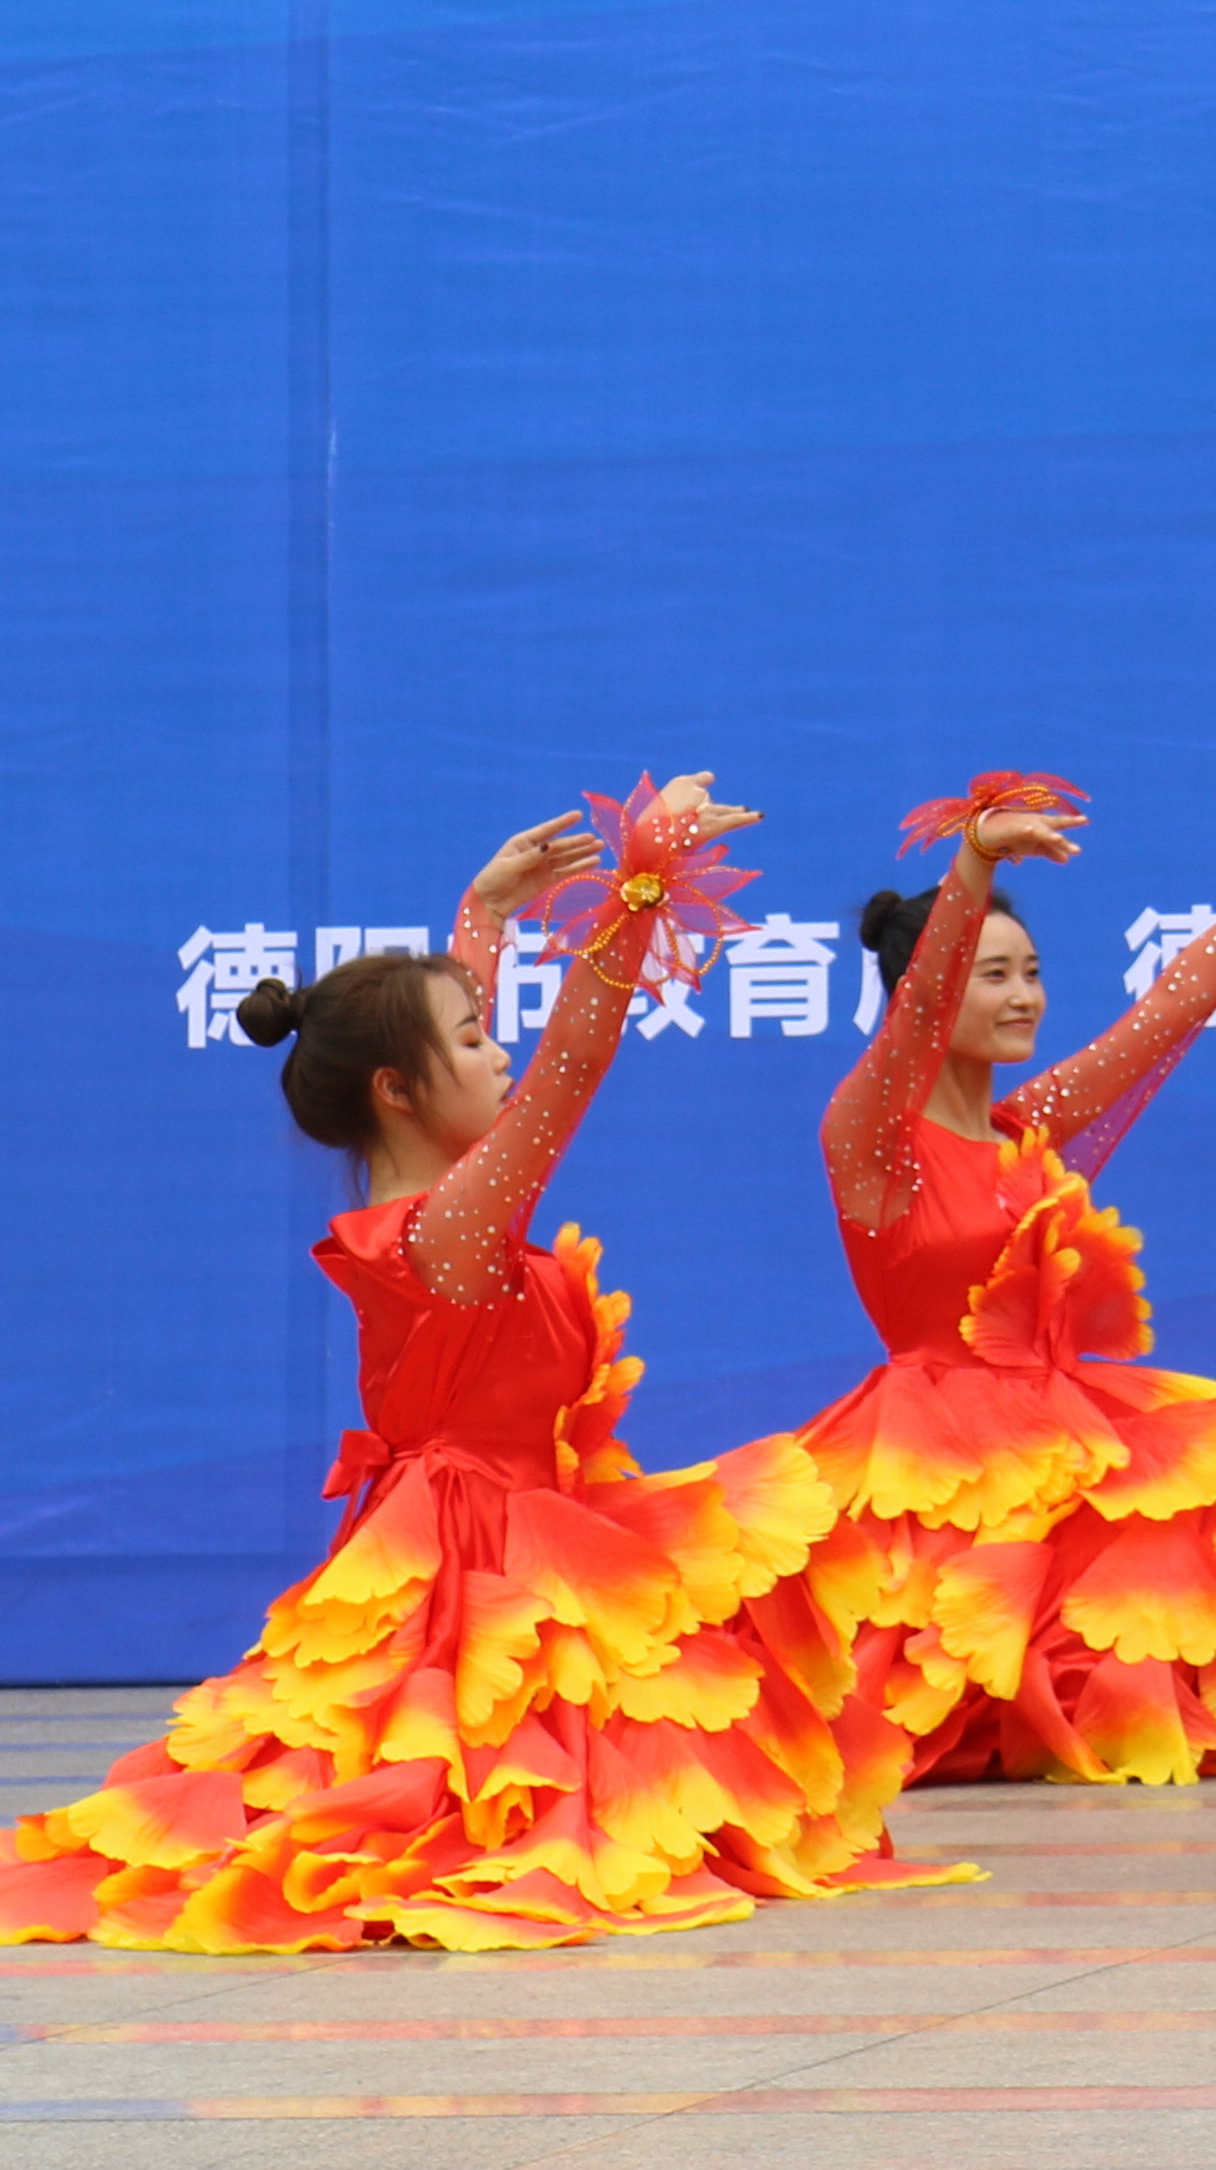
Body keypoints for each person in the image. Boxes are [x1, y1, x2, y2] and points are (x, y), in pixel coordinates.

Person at [1, 788, 960, 1952]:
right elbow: (569, 1068)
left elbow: (472, 1055)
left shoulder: (432, 1210)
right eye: (470, 1041)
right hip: (478, 1552)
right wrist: (639, 889)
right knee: (478, 1790)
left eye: (483, 1026)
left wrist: (487, 912)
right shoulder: (445, 1232)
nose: (496, 1050)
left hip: (525, 1525)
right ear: (395, 1090)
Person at [783, 742, 1216, 1786]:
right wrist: (973, 858)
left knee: (1201, 1493)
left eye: (1032, 972)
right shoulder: (871, 1135)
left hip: (1059, 1428)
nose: (1024, 996)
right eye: (993, 975)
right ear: (930, 993)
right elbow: (920, 1006)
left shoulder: (1027, 1128)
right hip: (931, 1455)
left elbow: (1172, 1008)